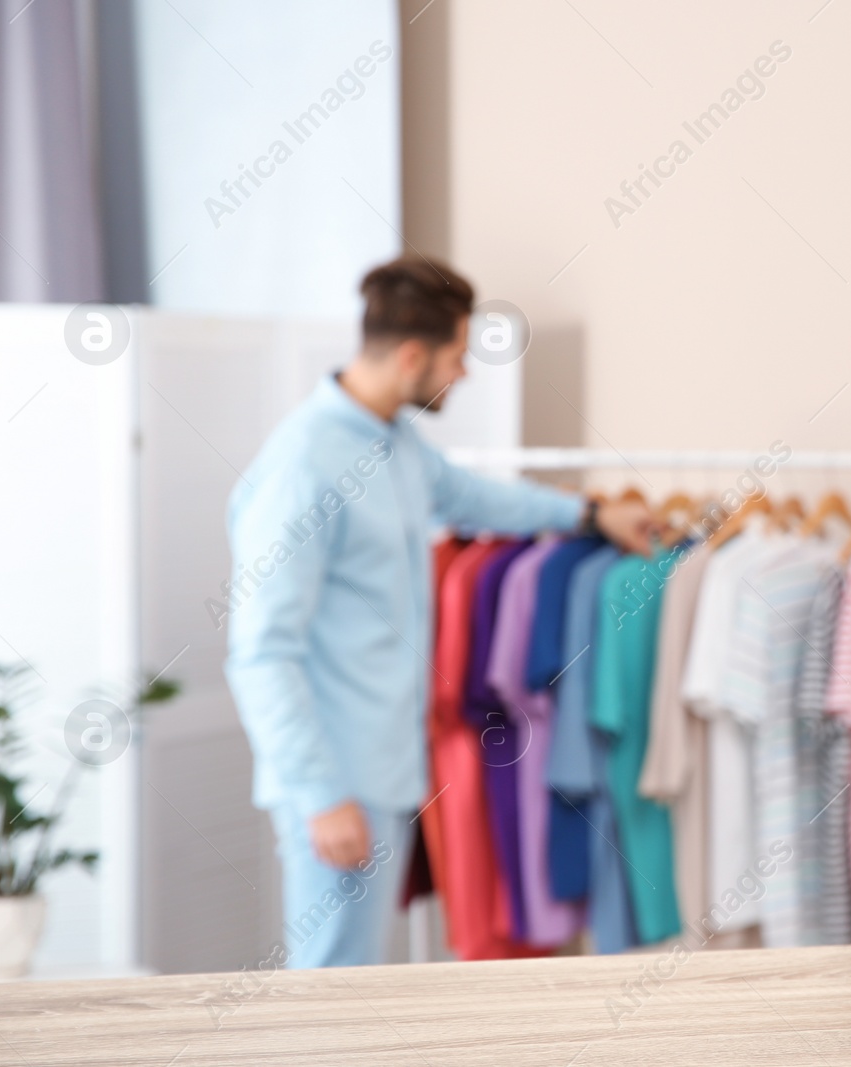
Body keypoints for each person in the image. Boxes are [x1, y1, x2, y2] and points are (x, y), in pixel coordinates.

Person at [223, 254, 657, 968]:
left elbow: (474, 498)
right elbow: (262, 653)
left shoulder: (392, 443)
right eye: (459, 357)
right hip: (339, 778)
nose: (465, 375)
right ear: (413, 354)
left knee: (356, 985)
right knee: (328, 991)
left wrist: (590, 513)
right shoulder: (302, 468)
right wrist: (320, 793)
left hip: (390, 769)